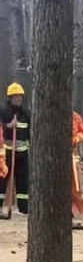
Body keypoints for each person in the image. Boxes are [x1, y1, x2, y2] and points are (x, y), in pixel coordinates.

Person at [0, 83, 30, 216]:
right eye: (16, 96)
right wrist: (8, 126)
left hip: (22, 152)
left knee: (23, 181)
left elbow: (29, 132)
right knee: (2, 179)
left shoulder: (25, 114)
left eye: (20, 96)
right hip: (6, 151)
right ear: (10, 97)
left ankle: (24, 208)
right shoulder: (3, 112)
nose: (19, 99)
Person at [71, 110, 83, 217]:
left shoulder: (75, 117)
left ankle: (76, 208)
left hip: (73, 155)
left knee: (76, 185)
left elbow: (82, 132)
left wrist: (75, 139)